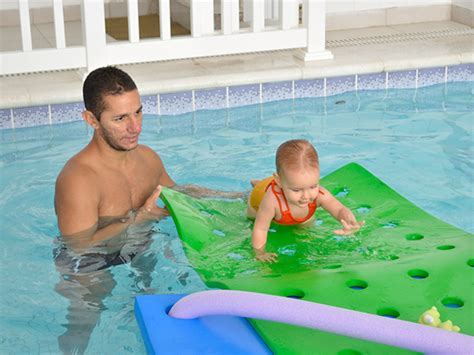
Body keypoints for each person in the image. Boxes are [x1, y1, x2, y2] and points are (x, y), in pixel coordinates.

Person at [53, 66, 240, 353]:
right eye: (120, 118)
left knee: (165, 303)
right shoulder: (78, 179)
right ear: (91, 120)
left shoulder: (147, 158)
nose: (135, 127)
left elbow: (178, 193)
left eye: (138, 112)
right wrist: (138, 219)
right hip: (91, 262)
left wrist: (240, 196)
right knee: (84, 323)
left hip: (140, 244)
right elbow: (78, 246)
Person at [247, 139, 364, 263]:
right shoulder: (272, 201)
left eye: (313, 186)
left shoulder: (318, 195)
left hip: (285, 188)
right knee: (252, 218)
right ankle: (254, 187)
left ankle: (265, 183)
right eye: (296, 190)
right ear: (279, 181)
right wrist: (260, 252)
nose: (306, 196)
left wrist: (349, 220)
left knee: (306, 226)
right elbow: (260, 229)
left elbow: (339, 209)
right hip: (259, 197)